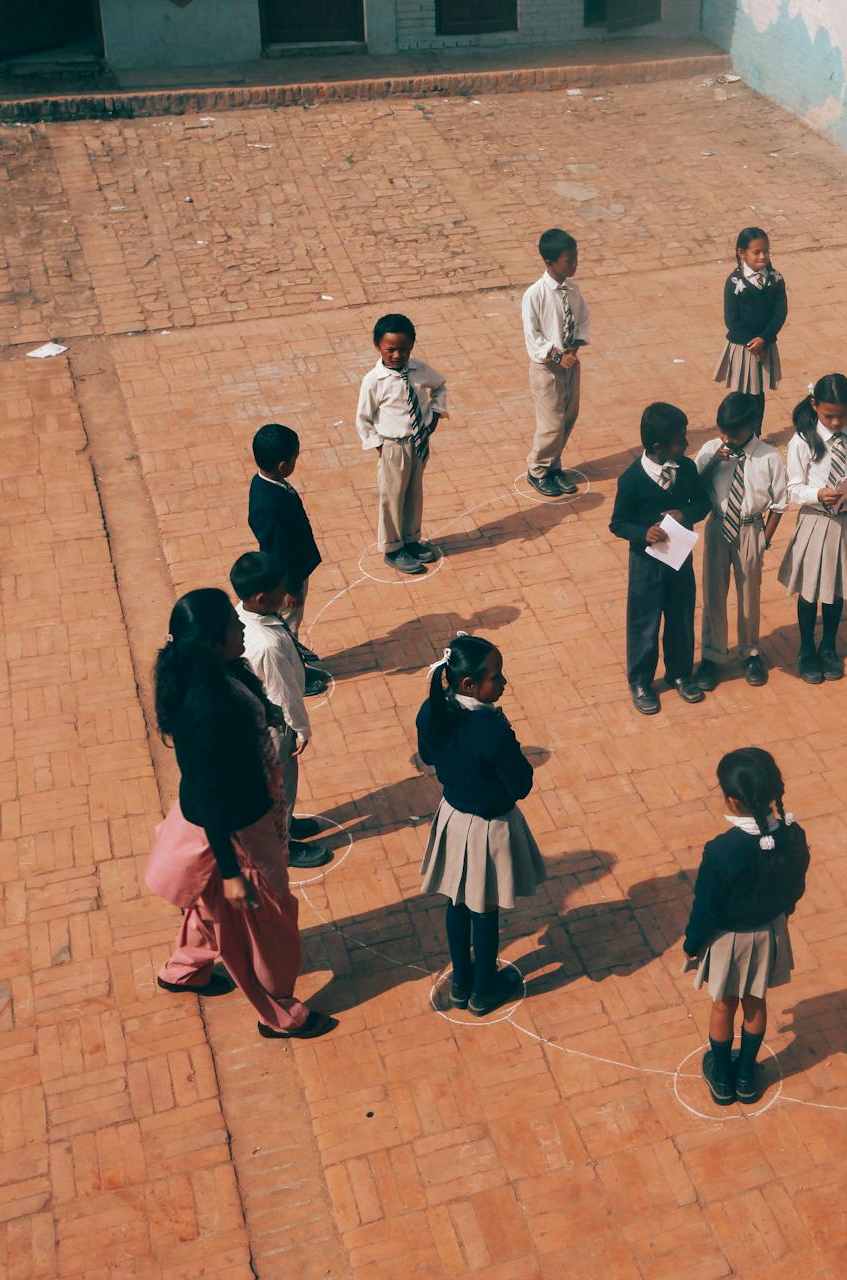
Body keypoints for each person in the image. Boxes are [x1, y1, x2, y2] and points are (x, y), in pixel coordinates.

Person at [144, 589, 333, 1039]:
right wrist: (232, 872)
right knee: (268, 924)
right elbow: (213, 799)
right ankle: (280, 1012)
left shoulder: (207, 673)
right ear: (211, 642)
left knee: (213, 908)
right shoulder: (207, 709)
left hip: (226, 821)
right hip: (237, 832)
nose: (241, 632)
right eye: (233, 627)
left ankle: (184, 969)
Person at [417, 634, 546, 1017]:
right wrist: (506, 734)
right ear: (469, 684)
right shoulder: (491, 730)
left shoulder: (432, 710)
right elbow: (520, 784)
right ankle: (484, 990)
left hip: (453, 818)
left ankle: (461, 984)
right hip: (490, 828)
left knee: (456, 901)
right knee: (485, 910)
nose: (504, 682)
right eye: (497, 677)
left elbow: (426, 754)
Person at [681, 748, 810, 1106]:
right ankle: (747, 1076)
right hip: (769, 931)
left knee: (723, 1005)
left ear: (732, 800)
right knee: (756, 1002)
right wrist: (785, 911)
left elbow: (707, 905)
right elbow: (796, 882)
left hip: (728, 940)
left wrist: (692, 943)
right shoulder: (792, 834)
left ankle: (722, 1077)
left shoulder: (722, 850)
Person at [777, 374, 847, 684]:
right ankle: (806, 649)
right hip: (817, 521)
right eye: (829, 416)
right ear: (814, 405)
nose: (837, 422)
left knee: (836, 588)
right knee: (810, 589)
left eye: (843, 415)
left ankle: (828, 646)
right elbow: (792, 488)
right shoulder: (803, 440)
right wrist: (818, 494)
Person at [609, 403, 713, 715]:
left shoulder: (688, 470)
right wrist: (643, 535)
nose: (686, 445)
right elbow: (618, 523)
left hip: (680, 560)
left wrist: (684, 513)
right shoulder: (631, 480)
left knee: (681, 617)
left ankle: (680, 672)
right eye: (681, 441)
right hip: (646, 566)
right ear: (658, 447)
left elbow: (703, 504)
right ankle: (640, 680)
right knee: (644, 622)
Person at [230, 552, 331, 869]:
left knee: (281, 786)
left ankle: (285, 823)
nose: (287, 592)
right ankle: (280, 843)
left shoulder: (243, 616)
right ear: (262, 598)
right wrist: (301, 728)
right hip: (275, 727)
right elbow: (283, 695)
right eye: (281, 588)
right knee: (279, 784)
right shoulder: (267, 646)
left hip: (260, 720)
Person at [693, 393, 789, 691]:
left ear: (753, 425)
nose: (727, 438)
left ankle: (749, 651)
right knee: (713, 591)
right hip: (719, 526)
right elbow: (693, 485)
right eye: (722, 431)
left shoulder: (769, 457)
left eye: (733, 433)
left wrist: (764, 540)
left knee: (750, 594)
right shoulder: (711, 450)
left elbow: (779, 504)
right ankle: (712, 654)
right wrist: (712, 463)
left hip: (750, 530)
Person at [354, 313, 448, 576]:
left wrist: (436, 414)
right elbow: (363, 418)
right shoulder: (374, 380)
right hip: (393, 446)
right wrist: (381, 447)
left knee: (413, 493)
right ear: (378, 346)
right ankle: (393, 548)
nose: (397, 355)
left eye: (404, 349)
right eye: (390, 349)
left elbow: (440, 386)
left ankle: (411, 539)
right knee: (392, 497)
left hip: (418, 442)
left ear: (412, 346)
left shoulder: (419, 370)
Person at [246, 422, 326, 674]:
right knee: (287, 626)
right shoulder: (271, 505)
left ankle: (295, 661)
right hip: (287, 578)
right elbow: (279, 550)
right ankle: (294, 673)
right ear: (283, 465)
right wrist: (290, 588)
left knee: (290, 625)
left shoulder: (263, 483)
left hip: (289, 571)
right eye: (295, 458)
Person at [522, 228, 590, 498]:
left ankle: (554, 464)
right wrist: (558, 355)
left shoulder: (573, 290)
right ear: (549, 262)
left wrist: (577, 343)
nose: (574, 264)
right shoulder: (535, 295)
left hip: (571, 364)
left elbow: (583, 319)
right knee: (550, 423)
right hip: (548, 369)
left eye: (575, 258)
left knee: (568, 416)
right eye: (568, 260)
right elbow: (533, 336)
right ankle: (537, 469)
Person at [713, 227, 787, 436]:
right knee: (743, 392)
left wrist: (764, 338)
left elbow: (780, 312)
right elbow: (731, 320)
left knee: (758, 392)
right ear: (741, 253)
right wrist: (752, 343)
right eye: (757, 252)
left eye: (766, 251)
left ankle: (755, 433)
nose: (762, 256)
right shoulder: (735, 283)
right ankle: (737, 432)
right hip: (743, 346)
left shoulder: (775, 279)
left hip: (765, 343)